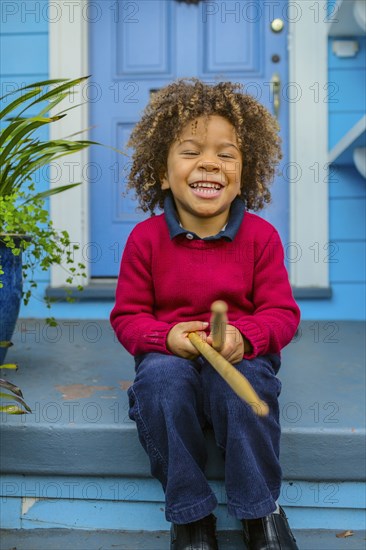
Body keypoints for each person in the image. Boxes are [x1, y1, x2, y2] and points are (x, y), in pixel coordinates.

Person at [110, 78, 301, 550]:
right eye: (191, 151)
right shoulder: (144, 241)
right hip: (170, 358)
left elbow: (282, 313)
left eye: (226, 154)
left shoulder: (261, 238)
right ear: (161, 171)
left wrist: (246, 335)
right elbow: (128, 317)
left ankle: (260, 512)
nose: (210, 162)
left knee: (245, 389)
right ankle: (192, 516)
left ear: (244, 172)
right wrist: (165, 339)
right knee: (160, 385)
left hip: (239, 358)